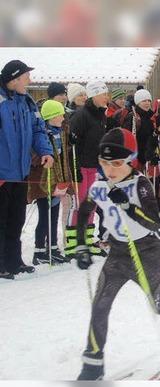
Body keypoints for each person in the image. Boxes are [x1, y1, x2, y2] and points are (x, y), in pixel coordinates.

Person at [75, 128, 160, 380]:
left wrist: (127, 205)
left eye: (117, 163)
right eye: (104, 162)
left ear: (131, 160)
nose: (110, 169)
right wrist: (82, 245)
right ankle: (92, 367)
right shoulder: (100, 185)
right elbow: (84, 212)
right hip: (118, 254)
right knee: (100, 306)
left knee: (158, 305)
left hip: (146, 252)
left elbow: (153, 222)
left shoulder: (140, 185)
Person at [0, 59, 54, 279]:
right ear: (14, 78)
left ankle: (13, 261)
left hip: (20, 173)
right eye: (26, 77)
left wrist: (45, 151)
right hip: (2, 174)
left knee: (17, 219)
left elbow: (38, 130)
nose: (29, 80)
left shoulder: (27, 101)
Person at [66, 81, 110, 257]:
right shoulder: (81, 115)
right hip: (81, 166)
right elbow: (72, 145)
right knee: (78, 205)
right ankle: (72, 243)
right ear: (94, 96)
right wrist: (74, 168)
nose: (106, 97)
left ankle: (87, 240)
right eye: (103, 94)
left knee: (90, 206)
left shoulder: (101, 115)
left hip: (94, 166)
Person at [28, 100, 74, 265]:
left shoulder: (60, 132)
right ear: (52, 117)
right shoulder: (43, 134)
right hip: (43, 181)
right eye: (60, 114)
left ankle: (52, 247)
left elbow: (62, 154)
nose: (63, 117)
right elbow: (36, 155)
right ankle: (39, 250)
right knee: (44, 216)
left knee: (53, 215)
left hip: (57, 180)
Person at [121, 89, 155, 167]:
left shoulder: (151, 116)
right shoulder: (133, 117)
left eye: (149, 101)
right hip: (137, 158)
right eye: (144, 101)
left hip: (149, 158)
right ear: (138, 103)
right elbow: (127, 138)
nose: (147, 103)